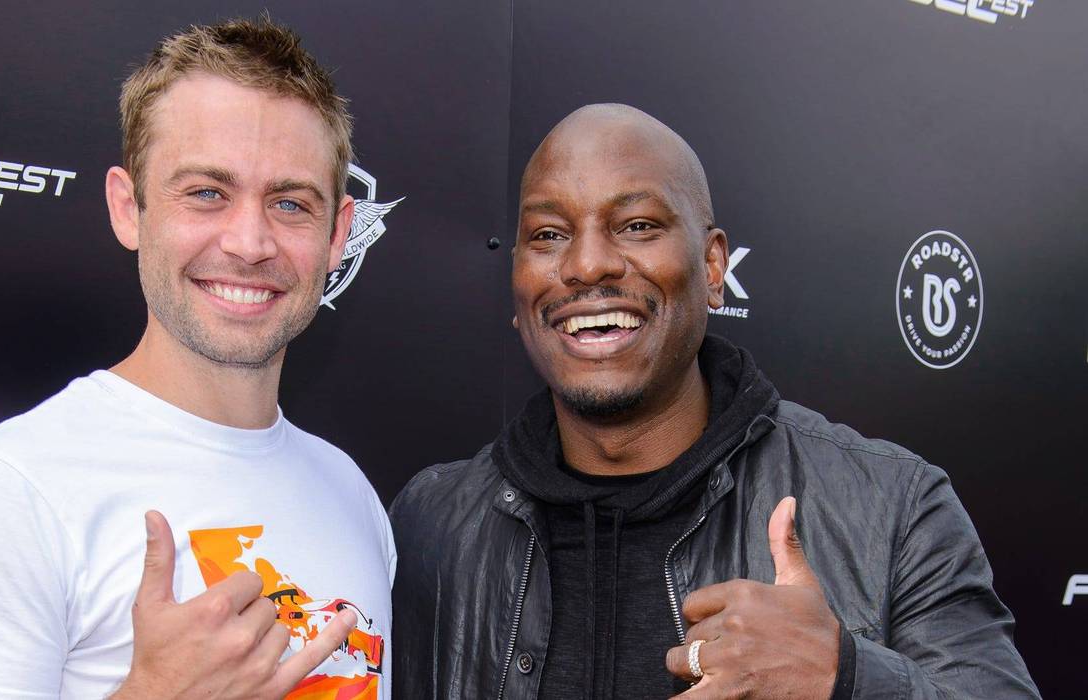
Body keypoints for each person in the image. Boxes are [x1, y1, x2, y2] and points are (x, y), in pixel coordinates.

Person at [388, 104, 1039, 699]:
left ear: (713, 268)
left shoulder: (889, 507)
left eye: (636, 225)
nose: (586, 264)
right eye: (549, 235)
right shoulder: (431, 523)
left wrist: (845, 678)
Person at [0, 17, 395, 700]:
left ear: (338, 234)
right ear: (128, 209)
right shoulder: (8, 491)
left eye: (288, 203)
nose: (249, 243)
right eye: (206, 193)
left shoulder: (352, 496)